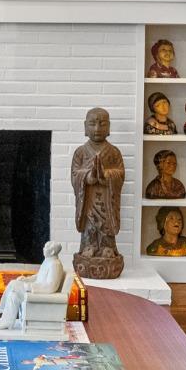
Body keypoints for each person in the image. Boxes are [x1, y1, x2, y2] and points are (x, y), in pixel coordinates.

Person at [70, 107, 125, 280]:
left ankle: (107, 247)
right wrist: (88, 176)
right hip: (89, 199)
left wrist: (107, 175)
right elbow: (74, 174)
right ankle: (89, 246)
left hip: (107, 200)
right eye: (92, 124)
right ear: (85, 126)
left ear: (109, 127)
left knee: (107, 222)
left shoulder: (114, 152)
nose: (97, 128)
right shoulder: (80, 152)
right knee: (89, 224)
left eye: (102, 124)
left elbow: (121, 173)